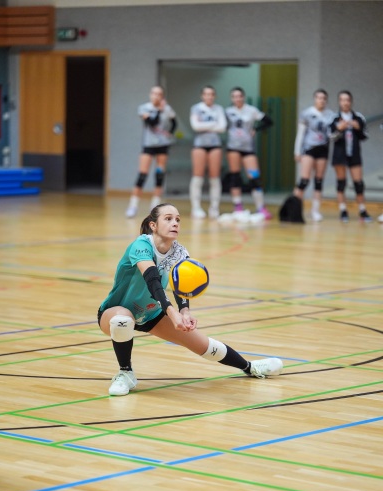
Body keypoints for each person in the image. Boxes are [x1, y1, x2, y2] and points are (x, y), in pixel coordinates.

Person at [98, 203, 283, 396]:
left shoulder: (179, 252)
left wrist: (185, 311)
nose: (175, 223)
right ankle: (125, 373)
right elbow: (152, 280)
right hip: (115, 311)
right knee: (122, 320)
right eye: (168, 219)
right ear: (153, 225)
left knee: (204, 346)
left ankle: (250, 367)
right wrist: (172, 312)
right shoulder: (141, 245)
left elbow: (182, 285)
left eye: (177, 219)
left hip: (150, 314)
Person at [125, 86, 177, 218]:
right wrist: (159, 110)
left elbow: (174, 122)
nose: (156, 96)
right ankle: (133, 205)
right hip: (148, 145)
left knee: (159, 174)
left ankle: (155, 206)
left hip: (162, 145)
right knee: (142, 174)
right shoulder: (144, 108)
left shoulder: (167, 109)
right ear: (150, 95)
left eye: (159, 94)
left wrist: (169, 133)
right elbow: (152, 122)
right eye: (154, 93)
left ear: (162, 96)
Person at [225, 87, 273, 220]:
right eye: (234, 96)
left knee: (254, 177)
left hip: (248, 149)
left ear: (243, 97)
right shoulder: (228, 112)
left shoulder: (251, 110)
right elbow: (222, 125)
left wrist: (256, 129)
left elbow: (269, 121)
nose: (237, 99)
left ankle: (261, 207)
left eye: (239, 96)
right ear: (231, 98)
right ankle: (238, 206)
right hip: (233, 147)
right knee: (235, 177)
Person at [293, 89, 335, 222]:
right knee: (304, 180)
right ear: (314, 99)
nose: (321, 100)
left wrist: (337, 132)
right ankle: (295, 208)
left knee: (319, 181)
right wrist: (297, 151)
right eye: (319, 98)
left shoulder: (331, 115)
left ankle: (315, 211)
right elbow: (300, 134)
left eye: (324, 98)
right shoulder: (306, 113)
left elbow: (332, 134)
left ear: (326, 100)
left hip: (323, 149)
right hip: (309, 149)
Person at [330, 90, 372, 222]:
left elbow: (365, 135)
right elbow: (330, 137)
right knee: (341, 183)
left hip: (354, 154)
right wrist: (339, 129)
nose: (345, 102)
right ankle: (343, 210)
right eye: (342, 100)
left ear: (351, 101)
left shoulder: (358, 117)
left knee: (359, 184)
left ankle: (362, 210)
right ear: (339, 102)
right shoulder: (334, 118)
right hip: (339, 155)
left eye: (347, 100)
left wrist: (358, 128)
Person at [189, 86, 227, 219]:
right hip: (199, 145)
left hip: (215, 145)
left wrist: (204, 125)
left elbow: (222, 127)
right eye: (206, 94)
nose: (209, 96)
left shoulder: (219, 109)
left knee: (214, 177)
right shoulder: (196, 108)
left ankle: (214, 207)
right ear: (202, 96)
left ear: (214, 96)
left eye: (211, 94)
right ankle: (196, 207)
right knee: (198, 176)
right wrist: (213, 124)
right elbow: (195, 126)